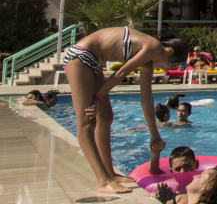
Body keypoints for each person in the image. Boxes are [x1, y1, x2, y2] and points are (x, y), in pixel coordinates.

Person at [62, 26, 188, 196]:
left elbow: (146, 100)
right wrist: (96, 98)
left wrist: (154, 135)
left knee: (106, 117)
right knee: (86, 122)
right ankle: (103, 181)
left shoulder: (148, 61)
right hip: (80, 57)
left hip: (93, 62)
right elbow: (121, 72)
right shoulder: (153, 46)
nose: (167, 70)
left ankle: (110, 173)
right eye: (172, 64)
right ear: (168, 51)